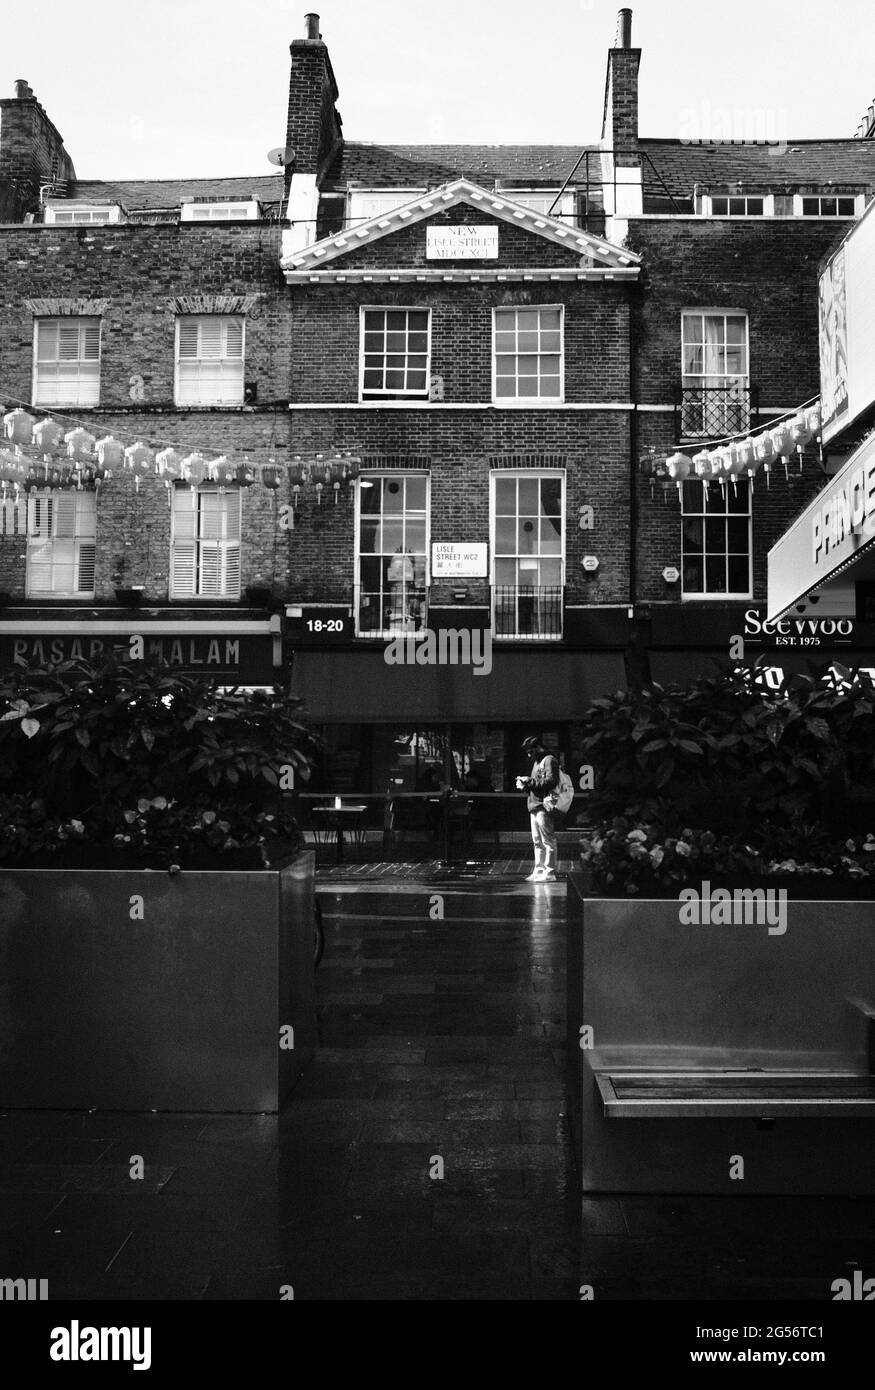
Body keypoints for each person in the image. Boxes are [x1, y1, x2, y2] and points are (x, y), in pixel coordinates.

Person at [516, 735, 559, 882]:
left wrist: (530, 781)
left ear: (537, 748)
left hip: (542, 805)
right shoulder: (537, 762)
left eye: (530, 751)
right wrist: (526, 785)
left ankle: (550, 871)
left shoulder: (549, 760)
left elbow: (551, 781)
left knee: (547, 840)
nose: (529, 755)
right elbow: (539, 783)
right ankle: (539, 869)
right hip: (534, 804)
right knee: (537, 841)